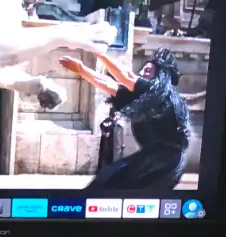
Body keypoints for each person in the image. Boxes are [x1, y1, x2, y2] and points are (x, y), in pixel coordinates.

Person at [59, 47, 191, 194]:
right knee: (106, 180)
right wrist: (81, 69)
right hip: (158, 160)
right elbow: (111, 85)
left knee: (109, 186)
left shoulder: (161, 93)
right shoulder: (147, 95)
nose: (141, 74)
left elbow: (126, 76)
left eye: (147, 71)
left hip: (164, 162)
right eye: (142, 71)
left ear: (159, 75)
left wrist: (98, 52)